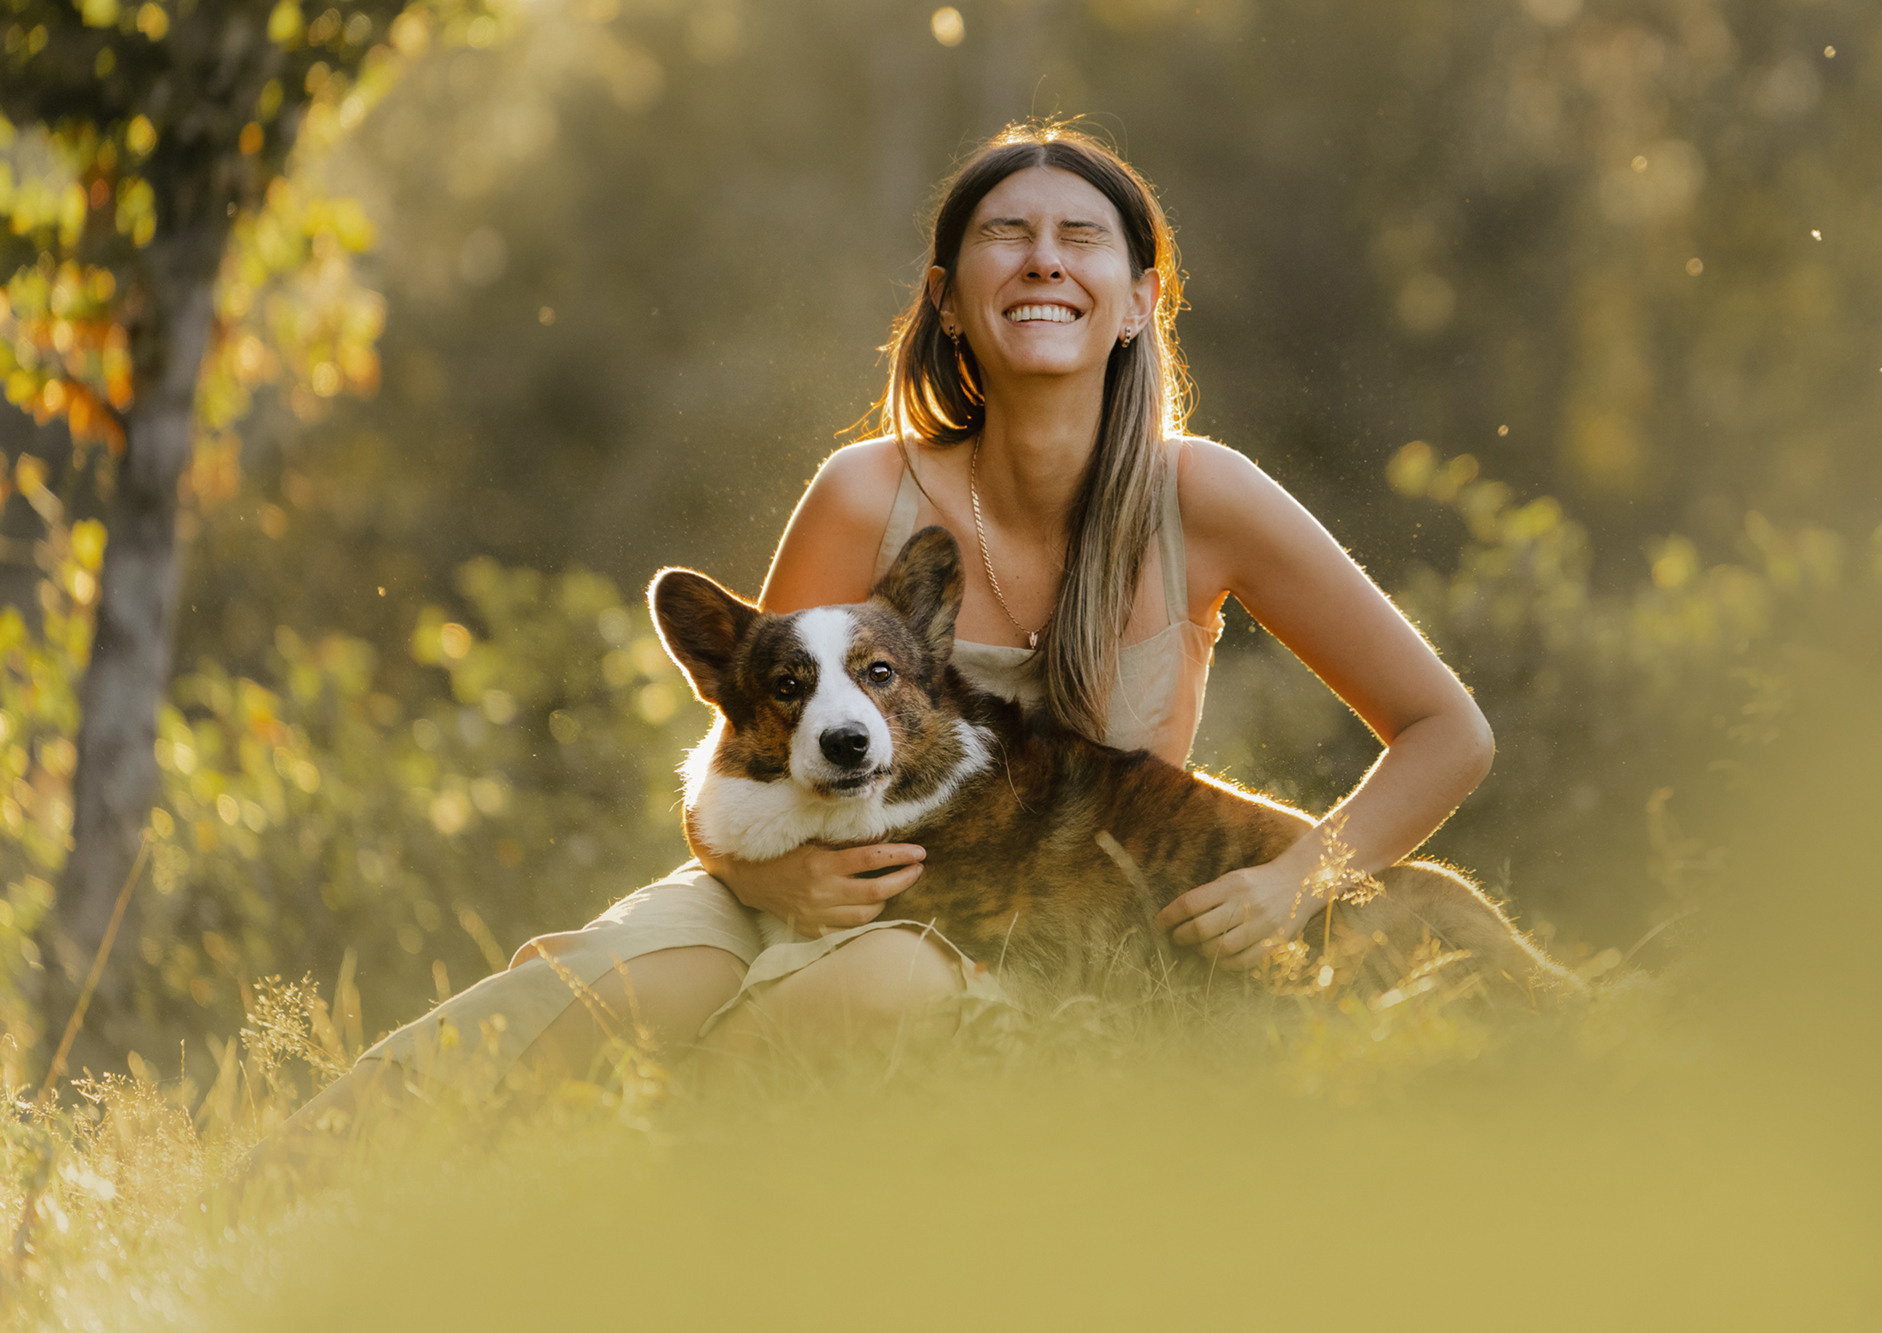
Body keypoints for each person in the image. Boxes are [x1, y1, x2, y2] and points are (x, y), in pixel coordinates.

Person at [304, 121, 1494, 1119]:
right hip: (792, 876)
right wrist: (761, 886)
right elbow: (742, 740)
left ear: (1137, 301)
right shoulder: (866, 493)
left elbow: (1447, 730)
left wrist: (1297, 882)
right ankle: (284, 1187)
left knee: (861, 993)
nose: (1042, 261)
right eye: (1004, 237)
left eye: (1080, 238)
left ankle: (645, 1230)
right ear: (947, 299)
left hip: (1025, 933)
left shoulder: (1205, 496)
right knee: (614, 979)